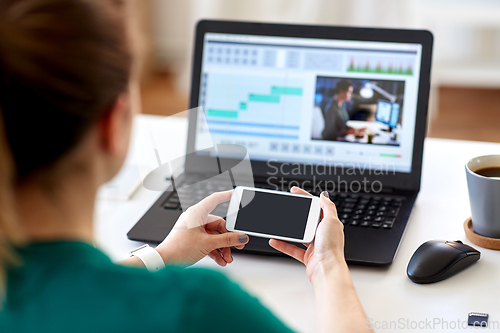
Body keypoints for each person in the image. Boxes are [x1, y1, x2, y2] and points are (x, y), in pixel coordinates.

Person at [0, 0, 369, 332]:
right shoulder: (194, 307)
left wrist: (162, 255)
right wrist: (328, 265)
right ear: (113, 124)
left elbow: (65, 294)